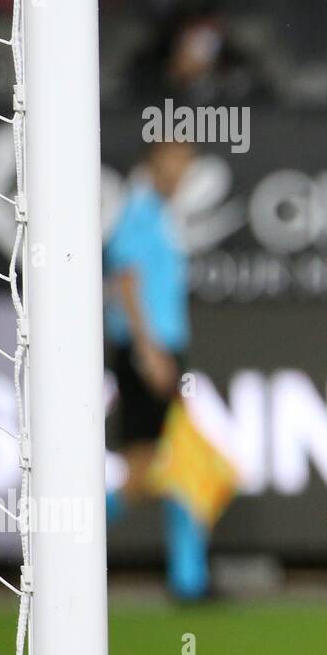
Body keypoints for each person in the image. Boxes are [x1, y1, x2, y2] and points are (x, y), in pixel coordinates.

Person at [104, 135, 210, 602]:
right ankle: (60, 539)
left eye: (186, 162)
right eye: (174, 160)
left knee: (184, 464)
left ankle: (190, 580)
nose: (181, 171)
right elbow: (125, 280)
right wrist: (148, 350)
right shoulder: (140, 211)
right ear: (153, 163)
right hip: (147, 353)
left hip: (164, 352)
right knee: (145, 468)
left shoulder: (164, 214)